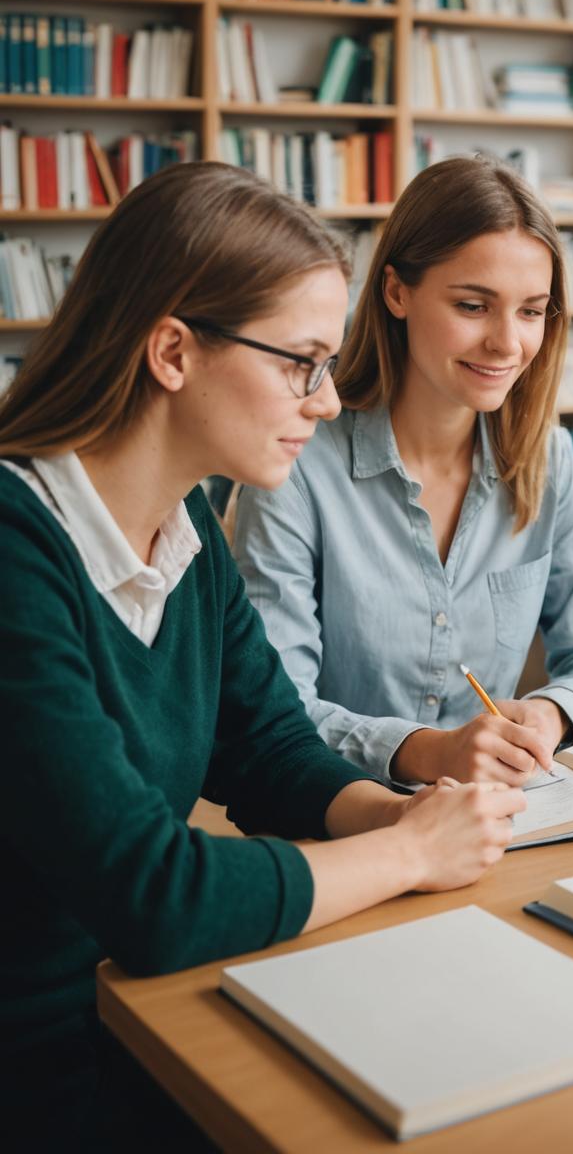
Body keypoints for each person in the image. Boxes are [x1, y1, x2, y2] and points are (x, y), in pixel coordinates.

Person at [0, 163, 523, 1147]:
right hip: (42, 1062)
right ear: (172, 352)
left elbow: (267, 747)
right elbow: (152, 894)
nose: (326, 402)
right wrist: (406, 851)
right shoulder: (16, 548)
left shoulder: (188, 524)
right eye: (303, 362)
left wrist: (407, 815)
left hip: (140, 1015)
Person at [235, 157, 573, 788]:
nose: (508, 344)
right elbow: (275, 712)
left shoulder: (545, 457)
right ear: (397, 291)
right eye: (474, 306)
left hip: (498, 821)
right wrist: (429, 752)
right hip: (339, 821)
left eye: (532, 311)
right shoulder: (297, 464)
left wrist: (551, 714)